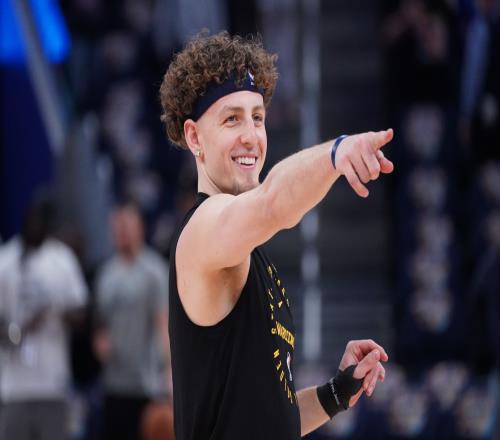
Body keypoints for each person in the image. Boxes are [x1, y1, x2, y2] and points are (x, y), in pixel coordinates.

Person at [159, 32, 393, 439]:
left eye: (257, 117)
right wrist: (336, 153)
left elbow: (271, 417)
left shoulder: (246, 250)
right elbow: (273, 203)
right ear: (194, 137)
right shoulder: (203, 229)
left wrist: (337, 392)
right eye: (232, 119)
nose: (251, 135)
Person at [0, 196, 87, 440]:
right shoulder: (6, 260)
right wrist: (17, 330)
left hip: (53, 383)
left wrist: (55, 310)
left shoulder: (61, 259)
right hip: (14, 386)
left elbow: (81, 312)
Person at [94, 201, 171, 440]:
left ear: (140, 228)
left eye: (127, 225)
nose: (122, 231)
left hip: (147, 384)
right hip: (114, 383)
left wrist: (169, 370)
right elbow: (100, 324)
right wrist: (100, 342)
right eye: (117, 226)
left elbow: (164, 322)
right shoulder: (105, 274)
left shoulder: (155, 271)